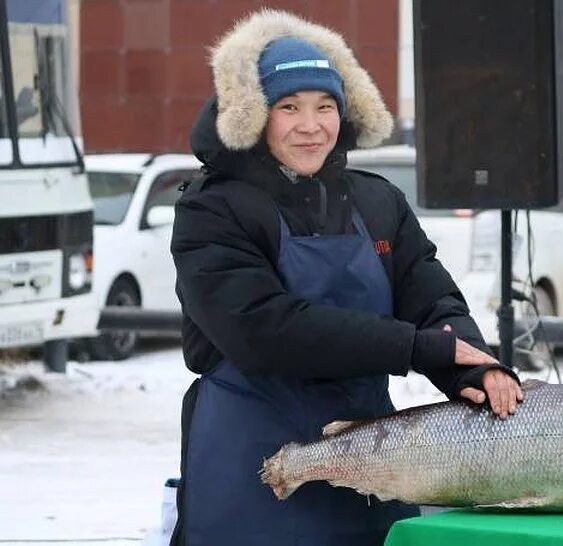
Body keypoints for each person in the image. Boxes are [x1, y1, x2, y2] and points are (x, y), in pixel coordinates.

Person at [169, 9, 523, 545]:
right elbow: (265, 330)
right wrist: (420, 349)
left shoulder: (377, 200)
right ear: (257, 114)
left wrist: (472, 371)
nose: (311, 126)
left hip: (370, 459)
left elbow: (430, 299)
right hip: (253, 458)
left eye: (325, 106)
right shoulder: (213, 210)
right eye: (288, 107)